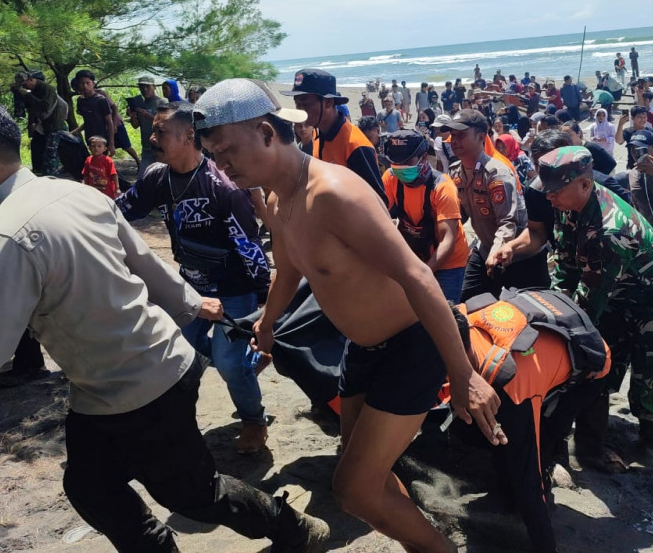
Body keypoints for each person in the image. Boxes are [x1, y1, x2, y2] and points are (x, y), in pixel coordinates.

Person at [0, 96, 329, 552]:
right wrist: (188, 303)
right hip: (126, 378)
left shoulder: (7, 238)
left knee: (193, 496)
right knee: (90, 486)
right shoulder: (69, 191)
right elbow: (143, 260)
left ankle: (294, 529)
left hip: (140, 386)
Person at [194, 78, 503, 553]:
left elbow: (417, 278)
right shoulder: (276, 197)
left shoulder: (334, 193)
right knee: (360, 472)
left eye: (227, 150)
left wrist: (463, 374)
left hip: (411, 345)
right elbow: (290, 267)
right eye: (214, 155)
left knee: (353, 489)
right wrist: (268, 324)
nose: (221, 165)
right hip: (361, 348)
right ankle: (420, 539)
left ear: (266, 133)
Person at [117, 103, 272, 454]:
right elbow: (122, 210)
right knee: (181, 357)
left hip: (234, 290)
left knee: (229, 363)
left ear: (189, 136)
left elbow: (248, 246)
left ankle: (253, 422)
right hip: (189, 288)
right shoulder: (158, 177)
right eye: (153, 131)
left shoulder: (223, 186)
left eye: (161, 132)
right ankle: (247, 365)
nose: (153, 138)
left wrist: (263, 298)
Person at [540, 145, 653, 469]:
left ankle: (650, 443)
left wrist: (564, 329)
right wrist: (552, 308)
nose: (549, 198)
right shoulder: (566, 202)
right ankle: (593, 440)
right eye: (547, 192)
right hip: (617, 289)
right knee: (601, 360)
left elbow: (590, 300)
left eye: (555, 192)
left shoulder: (611, 228)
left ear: (585, 184)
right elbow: (565, 264)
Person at [450, 293, 610, 553]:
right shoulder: (451, 319)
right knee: (499, 437)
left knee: (532, 451)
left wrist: (543, 544)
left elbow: (527, 472)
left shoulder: (512, 384)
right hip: (539, 341)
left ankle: (544, 489)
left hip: (588, 371)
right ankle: (508, 488)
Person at [442, 109, 534, 301]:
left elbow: (508, 222)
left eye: (461, 135)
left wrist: (495, 253)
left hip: (516, 255)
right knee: (467, 299)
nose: (454, 140)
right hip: (486, 248)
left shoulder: (496, 174)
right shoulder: (456, 172)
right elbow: (460, 214)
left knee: (515, 312)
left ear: (481, 137)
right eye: (452, 135)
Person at [382, 130, 469, 303]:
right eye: (395, 162)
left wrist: (424, 273)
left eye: (407, 162)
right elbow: (381, 218)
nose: (399, 167)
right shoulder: (390, 178)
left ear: (423, 158)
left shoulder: (443, 187)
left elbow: (448, 240)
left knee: (446, 311)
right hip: (416, 256)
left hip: (448, 263)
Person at [281, 69, 385, 203]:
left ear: (328, 103)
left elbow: (378, 202)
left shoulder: (355, 146)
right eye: (297, 104)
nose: (300, 110)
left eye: (305, 104)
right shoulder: (316, 133)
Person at [14, 71, 67, 177]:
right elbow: (29, 110)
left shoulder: (48, 89)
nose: (23, 87)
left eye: (24, 84)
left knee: (51, 155)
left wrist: (28, 95)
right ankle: (39, 173)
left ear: (31, 80)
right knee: (37, 149)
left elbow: (45, 106)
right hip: (41, 127)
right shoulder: (33, 91)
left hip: (54, 126)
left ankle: (52, 177)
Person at [126, 76, 167, 179]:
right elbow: (135, 126)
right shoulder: (140, 104)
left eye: (147, 87)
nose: (145, 89)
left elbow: (166, 123)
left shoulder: (161, 102)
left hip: (161, 147)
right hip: (146, 147)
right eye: (142, 87)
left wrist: (148, 116)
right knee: (143, 178)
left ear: (153, 87)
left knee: (162, 177)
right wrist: (133, 116)